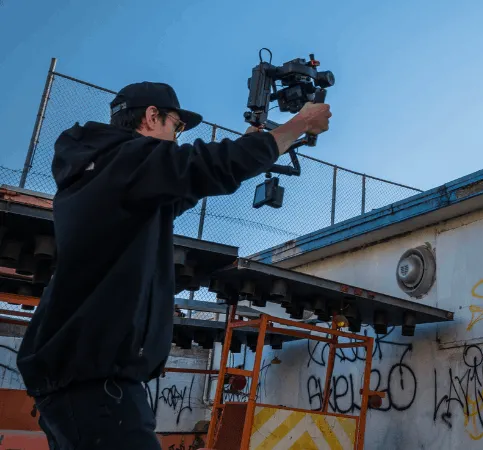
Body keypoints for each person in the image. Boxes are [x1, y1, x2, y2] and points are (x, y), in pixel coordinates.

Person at [16, 81, 331, 449]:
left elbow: (182, 186)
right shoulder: (125, 160)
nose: (178, 138)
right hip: (95, 383)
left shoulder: (107, 171)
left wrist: (257, 146)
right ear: (151, 117)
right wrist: (296, 126)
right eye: (177, 127)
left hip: (81, 379)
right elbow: (203, 166)